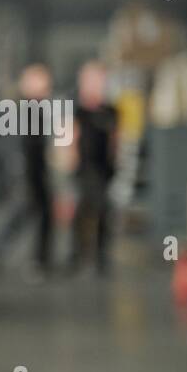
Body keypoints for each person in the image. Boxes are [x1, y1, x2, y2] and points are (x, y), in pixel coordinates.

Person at [0, 63, 54, 280]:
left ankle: (38, 259)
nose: (46, 87)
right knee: (24, 211)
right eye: (41, 81)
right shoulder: (20, 110)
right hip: (25, 173)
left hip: (37, 171)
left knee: (42, 214)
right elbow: (14, 147)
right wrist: (21, 176)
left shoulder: (39, 108)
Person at [68, 61, 119, 274]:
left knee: (101, 210)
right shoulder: (77, 110)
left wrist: (114, 164)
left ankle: (98, 255)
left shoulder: (111, 111)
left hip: (103, 168)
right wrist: (70, 163)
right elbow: (70, 138)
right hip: (85, 168)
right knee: (88, 209)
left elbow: (115, 139)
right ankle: (78, 254)